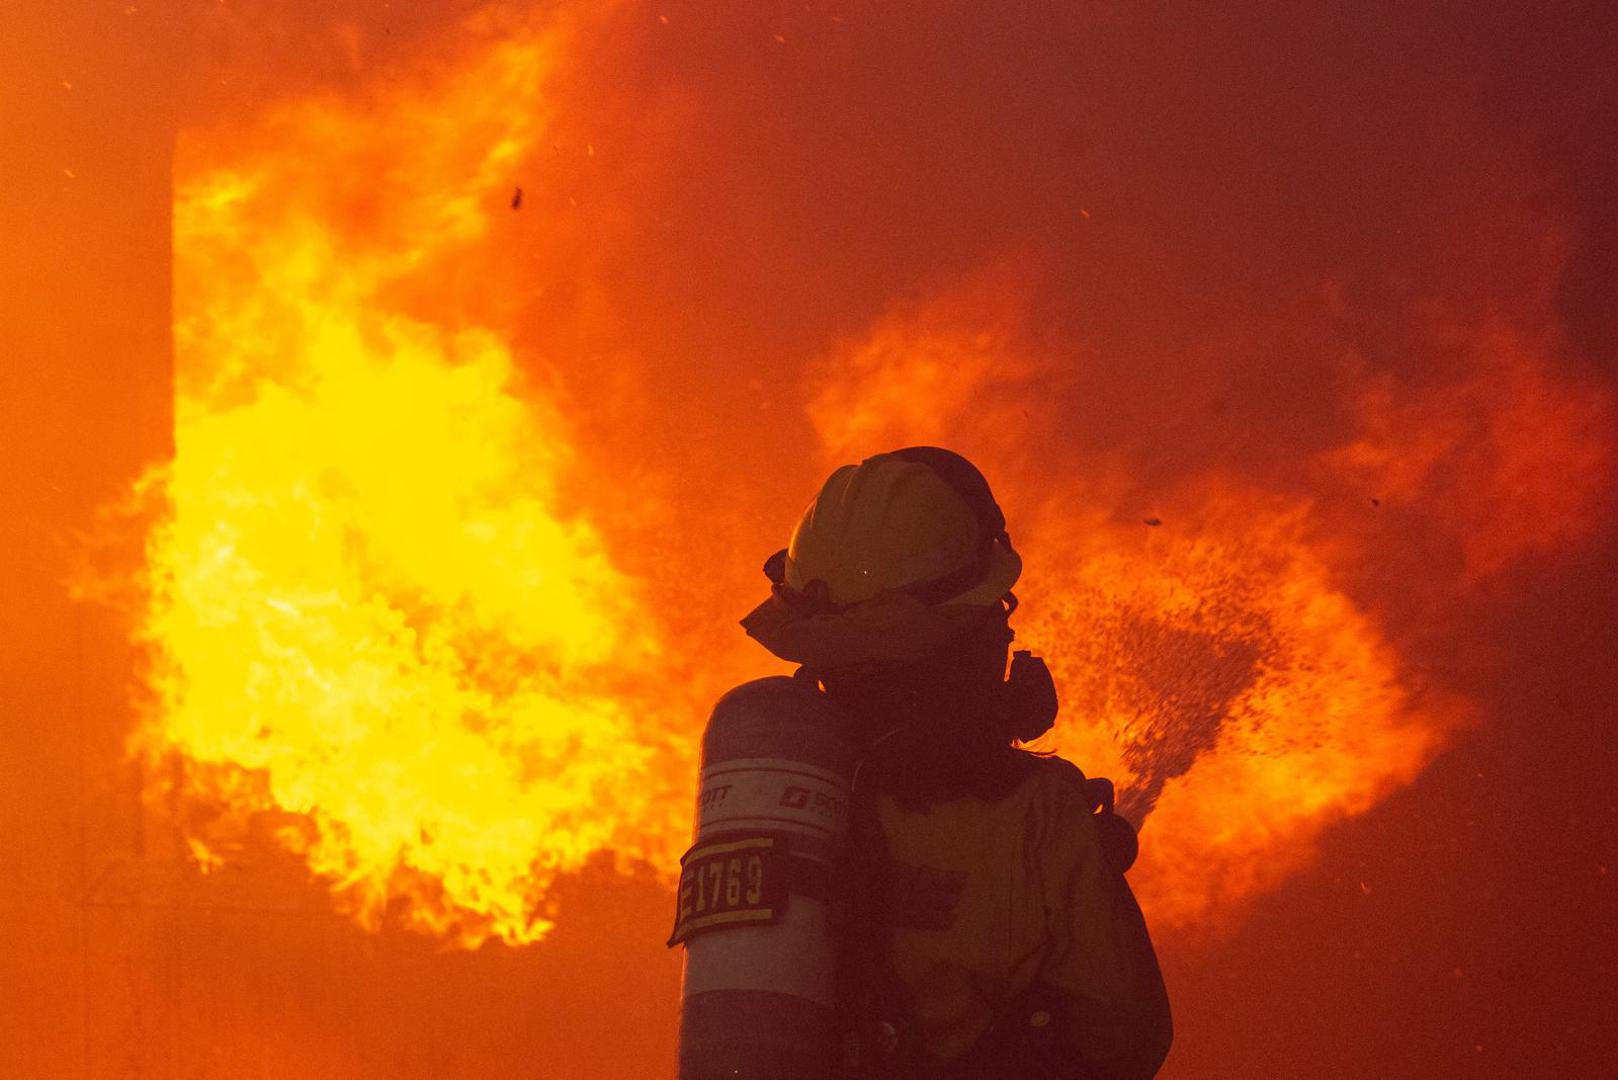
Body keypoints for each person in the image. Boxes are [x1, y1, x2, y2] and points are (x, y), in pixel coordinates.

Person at [739, 447, 1172, 1080]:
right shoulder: (1038, 818)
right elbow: (1124, 1039)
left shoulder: (768, 780)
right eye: (992, 609)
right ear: (965, 634)